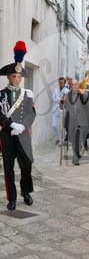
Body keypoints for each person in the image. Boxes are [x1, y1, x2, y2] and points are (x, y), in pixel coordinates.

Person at [0, 41, 36, 210]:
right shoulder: (1, 95)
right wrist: (10, 125)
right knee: (8, 168)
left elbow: (32, 112)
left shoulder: (27, 94)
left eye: (19, 77)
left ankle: (26, 192)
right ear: (9, 77)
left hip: (23, 135)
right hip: (7, 136)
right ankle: (11, 198)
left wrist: (22, 126)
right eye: (14, 76)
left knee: (26, 165)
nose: (16, 79)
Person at [61, 80, 89, 165]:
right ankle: (77, 152)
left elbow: (87, 105)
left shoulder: (83, 94)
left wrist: (83, 94)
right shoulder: (67, 95)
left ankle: (75, 157)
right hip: (70, 121)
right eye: (72, 84)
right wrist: (62, 101)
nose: (74, 86)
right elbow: (61, 107)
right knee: (73, 140)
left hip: (80, 120)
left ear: (79, 86)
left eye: (76, 84)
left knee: (78, 139)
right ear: (70, 86)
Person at [51, 77, 69, 145]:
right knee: (53, 125)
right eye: (59, 82)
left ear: (64, 83)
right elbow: (52, 99)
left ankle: (62, 140)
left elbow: (66, 100)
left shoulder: (67, 91)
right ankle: (59, 137)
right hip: (55, 109)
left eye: (61, 82)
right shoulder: (55, 90)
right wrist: (60, 98)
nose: (60, 84)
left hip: (63, 109)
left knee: (62, 127)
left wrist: (57, 98)